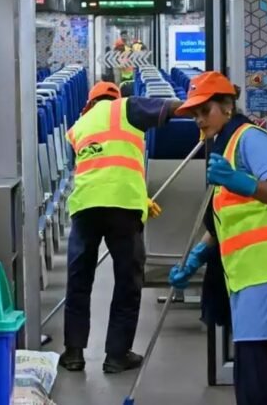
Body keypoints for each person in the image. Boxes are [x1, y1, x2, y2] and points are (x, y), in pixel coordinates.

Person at [168, 72, 267, 404]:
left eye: (206, 111)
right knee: (249, 367)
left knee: (255, 367)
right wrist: (196, 259)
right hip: (247, 271)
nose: (200, 120)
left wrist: (239, 181)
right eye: (195, 115)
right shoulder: (224, 145)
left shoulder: (250, 139)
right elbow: (226, 218)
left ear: (228, 107)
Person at [61, 81, 183, 374]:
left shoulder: (77, 126)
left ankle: (74, 353)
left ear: (89, 102)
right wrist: (206, 111)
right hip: (124, 207)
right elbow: (171, 108)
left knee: (79, 280)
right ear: (115, 96)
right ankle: (117, 355)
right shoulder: (127, 107)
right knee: (127, 281)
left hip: (85, 207)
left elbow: (92, 169)